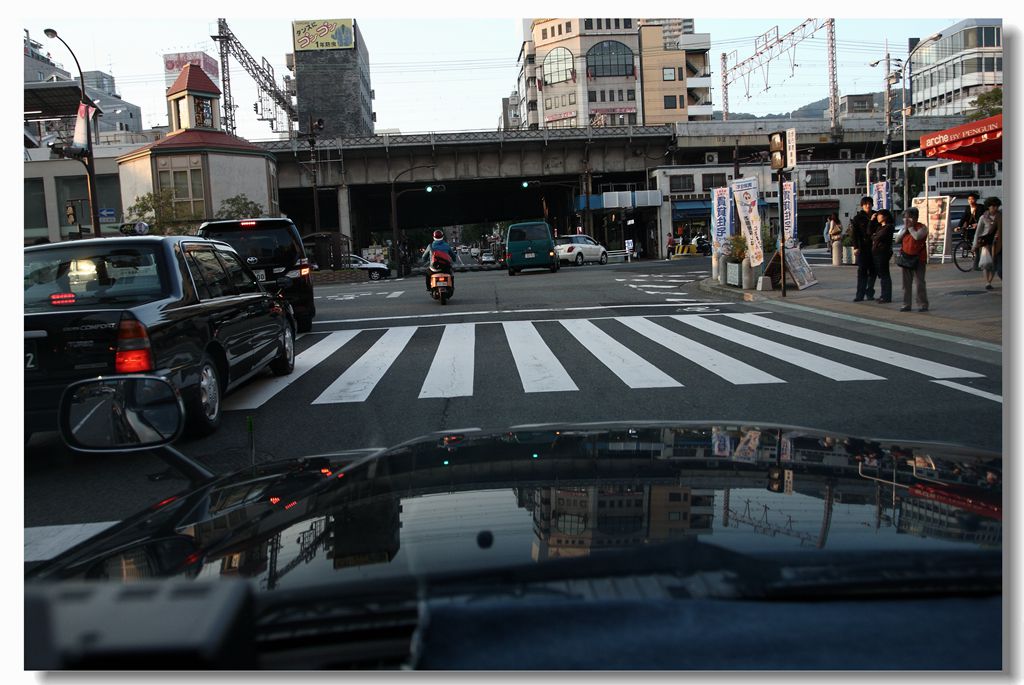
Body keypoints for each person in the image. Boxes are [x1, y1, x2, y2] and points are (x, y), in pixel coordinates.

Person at [895, 207, 929, 312]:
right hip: (906, 258)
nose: (906, 220)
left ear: (915, 217)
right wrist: (905, 230)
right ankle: (906, 304)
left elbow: (917, 237)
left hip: (919, 259)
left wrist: (910, 228)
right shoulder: (904, 229)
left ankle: (922, 304)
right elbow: (896, 240)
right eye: (904, 218)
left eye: (908, 217)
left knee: (919, 283)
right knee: (906, 284)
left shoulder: (922, 228)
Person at [850, 197, 878, 301]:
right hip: (862, 248)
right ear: (862, 205)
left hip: (874, 248)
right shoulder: (858, 218)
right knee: (862, 271)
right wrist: (855, 247)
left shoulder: (877, 216)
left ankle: (870, 292)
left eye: (869, 203)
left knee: (873, 271)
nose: (868, 206)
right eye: (865, 204)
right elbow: (854, 234)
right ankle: (859, 294)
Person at [973, 197, 1002, 290]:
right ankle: (987, 282)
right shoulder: (983, 217)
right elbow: (978, 232)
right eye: (993, 206)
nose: (995, 208)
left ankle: (990, 281)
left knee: (994, 263)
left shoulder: (1001, 216)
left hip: (998, 243)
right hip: (986, 243)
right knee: (985, 263)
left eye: (997, 206)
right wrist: (975, 244)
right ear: (988, 207)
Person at [870, 209, 895, 303]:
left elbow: (877, 237)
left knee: (885, 275)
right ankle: (883, 295)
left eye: (879, 215)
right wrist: (871, 221)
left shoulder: (888, 227)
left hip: (883, 253)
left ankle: (886, 296)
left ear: (884, 216)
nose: (877, 217)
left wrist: (874, 236)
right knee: (882, 275)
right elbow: (870, 232)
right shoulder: (880, 227)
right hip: (877, 252)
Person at [958, 192, 983, 270]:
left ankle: (978, 263)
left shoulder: (981, 207)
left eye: (972, 199)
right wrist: (959, 226)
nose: (970, 201)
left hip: (980, 227)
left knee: (978, 245)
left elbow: (981, 217)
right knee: (969, 239)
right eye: (969, 199)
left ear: (975, 200)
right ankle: (971, 250)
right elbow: (964, 217)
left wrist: (977, 223)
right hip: (972, 228)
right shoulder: (967, 208)